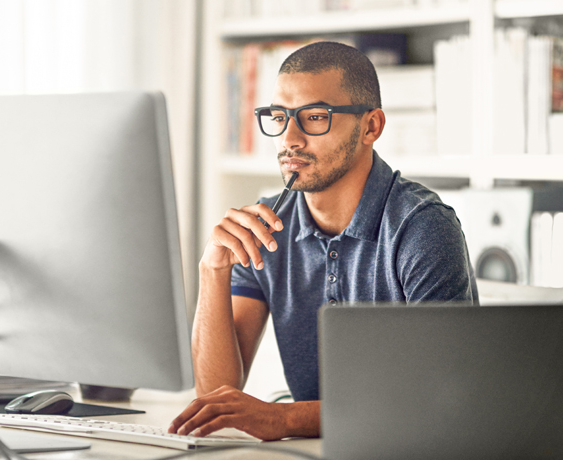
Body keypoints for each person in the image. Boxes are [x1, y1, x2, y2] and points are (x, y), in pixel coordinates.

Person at [168, 41, 478, 441]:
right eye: (279, 117)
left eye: (315, 117)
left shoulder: (422, 228)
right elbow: (215, 398)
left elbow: (438, 397)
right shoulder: (265, 226)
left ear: (371, 126)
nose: (289, 139)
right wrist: (212, 270)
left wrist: (283, 419)